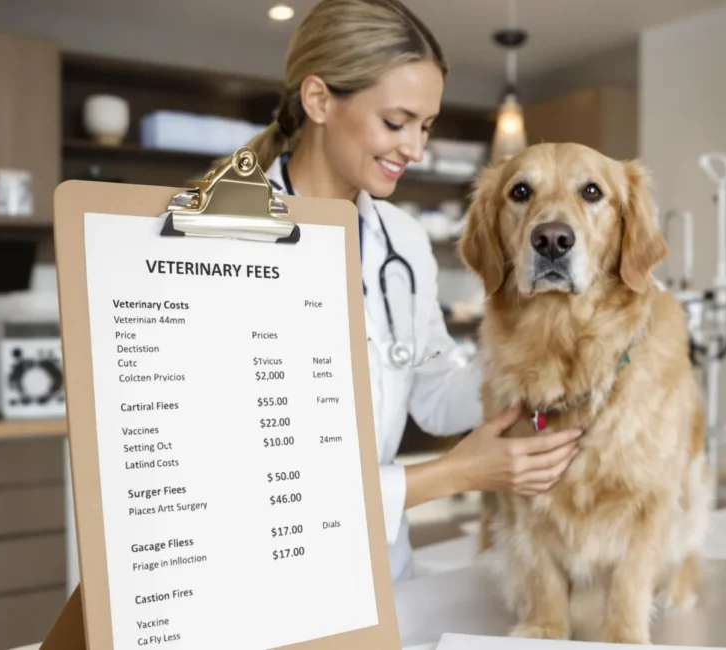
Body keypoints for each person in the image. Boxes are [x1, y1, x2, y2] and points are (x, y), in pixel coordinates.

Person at [240, 0, 582, 582]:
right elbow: (260, 483)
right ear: (319, 100)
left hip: (381, 573)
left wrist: (531, 330)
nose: (416, 150)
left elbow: (435, 395)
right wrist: (458, 473)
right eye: (396, 123)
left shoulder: (401, 239)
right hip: (268, 581)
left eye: (426, 126)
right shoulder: (222, 244)